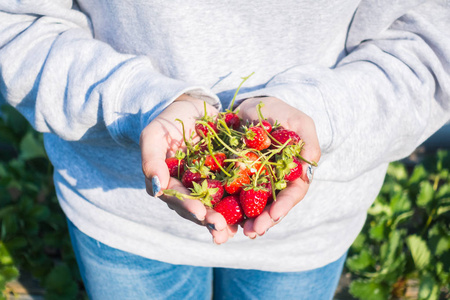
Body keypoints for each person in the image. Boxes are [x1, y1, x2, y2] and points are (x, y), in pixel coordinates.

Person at [0, 1, 449, 299]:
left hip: (307, 232)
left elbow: (431, 44)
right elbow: (17, 23)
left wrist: (320, 113)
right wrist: (139, 100)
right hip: (122, 216)